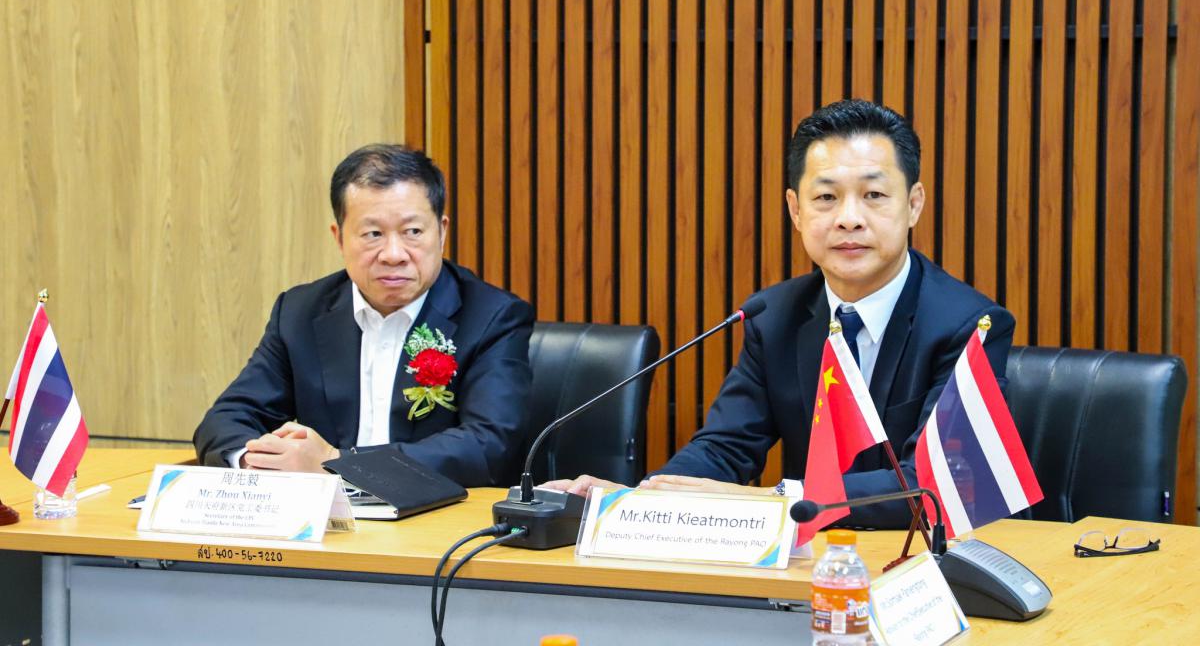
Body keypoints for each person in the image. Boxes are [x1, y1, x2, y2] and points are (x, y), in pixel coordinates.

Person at [545, 99, 1014, 528]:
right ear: (795, 210)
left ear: (913, 205)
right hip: (813, 566)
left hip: (931, 561)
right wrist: (642, 501)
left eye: (874, 195)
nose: (849, 218)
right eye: (826, 198)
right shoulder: (776, 317)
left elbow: (932, 486)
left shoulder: (970, 326)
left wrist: (772, 500)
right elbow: (725, 448)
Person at [194, 145, 534, 487]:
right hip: (326, 514)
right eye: (373, 234)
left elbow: (488, 445)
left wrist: (337, 463)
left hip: (437, 511)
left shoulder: (491, 317)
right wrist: (255, 460)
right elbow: (227, 419)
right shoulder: (300, 312)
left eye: (413, 232)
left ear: (442, 231)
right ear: (339, 238)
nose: (394, 254)